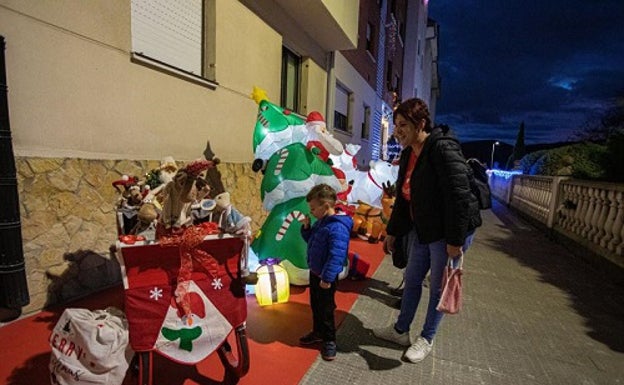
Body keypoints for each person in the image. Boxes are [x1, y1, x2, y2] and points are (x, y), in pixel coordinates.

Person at [372, 98, 482, 363]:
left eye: (403, 125)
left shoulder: (442, 149)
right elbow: (403, 197)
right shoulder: (410, 152)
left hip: (449, 231)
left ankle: (426, 338)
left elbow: (459, 198)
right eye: (396, 125)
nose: (397, 131)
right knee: (412, 279)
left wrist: (455, 242)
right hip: (425, 228)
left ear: (420, 124)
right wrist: (393, 232)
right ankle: (400, 331)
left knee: (437, 288)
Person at [299, 183, 353, 361]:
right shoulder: (321, 222)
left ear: (326, 206)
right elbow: (312, 241)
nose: (312, 212)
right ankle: (318, 331)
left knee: (327, 308)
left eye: (314, 208)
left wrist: (328, 277)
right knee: (316, 305)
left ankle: (329, 339)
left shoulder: (337, 227)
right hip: (316, 273)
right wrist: (307, 228)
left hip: (326, 276)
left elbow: (336, 255)